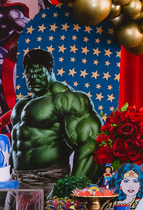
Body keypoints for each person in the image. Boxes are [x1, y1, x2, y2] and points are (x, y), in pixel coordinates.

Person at [9, 48, 102, 184]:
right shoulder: (23, 103)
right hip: (16, 179)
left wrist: (72, 188)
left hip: (48, 180)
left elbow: (91, 143)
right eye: (29, 74)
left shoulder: (64, 98)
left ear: (51, 70)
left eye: (40, 73)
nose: (33, 78)